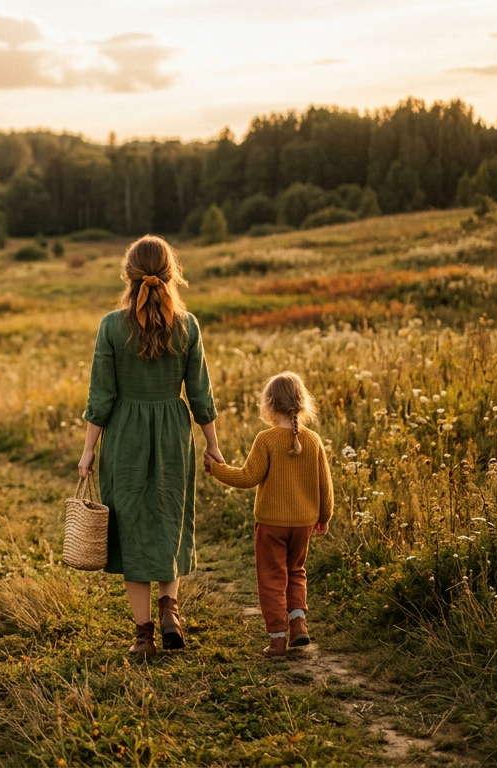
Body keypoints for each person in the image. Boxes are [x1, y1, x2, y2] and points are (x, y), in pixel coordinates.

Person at [78, 235, 221, 659]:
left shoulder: (110, 326)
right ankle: (170, 613)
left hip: (125, 438)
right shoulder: (188, 325)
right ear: (172, 273)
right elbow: (200, 394)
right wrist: (213, 445)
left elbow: (100, 397)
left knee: (132, 527)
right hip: (174, 436)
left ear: (127, 274)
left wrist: (88, 451)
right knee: (168, 521)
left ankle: (143, 636)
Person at [205, 371, 334, 657]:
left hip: (271, 525)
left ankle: (277, 639)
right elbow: (326, 487)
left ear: (270, 404)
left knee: (272, 578)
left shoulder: (266, 439)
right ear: (301, 403)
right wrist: (323, 517)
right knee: (296, 572)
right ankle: (298, 623)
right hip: (303, 524)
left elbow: (248, 477)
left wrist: (217, 469)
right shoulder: (313, 441)